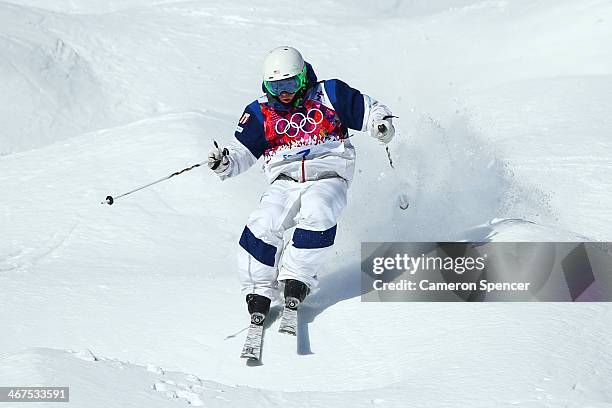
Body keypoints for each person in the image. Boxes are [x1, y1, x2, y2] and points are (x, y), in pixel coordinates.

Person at [208, 46, 395, 325]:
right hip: (284, 180)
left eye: (291, 84)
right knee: (263, 223)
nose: (284, 92)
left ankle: (297, 277)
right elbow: (241, 153)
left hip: (329, 173)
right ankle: (258, 289)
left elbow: (370, 110)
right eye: (276, 86)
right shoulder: (260, 112)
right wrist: (225, 162)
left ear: (303, 77)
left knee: (318, 212)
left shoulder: (330, 94)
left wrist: (380, 124)